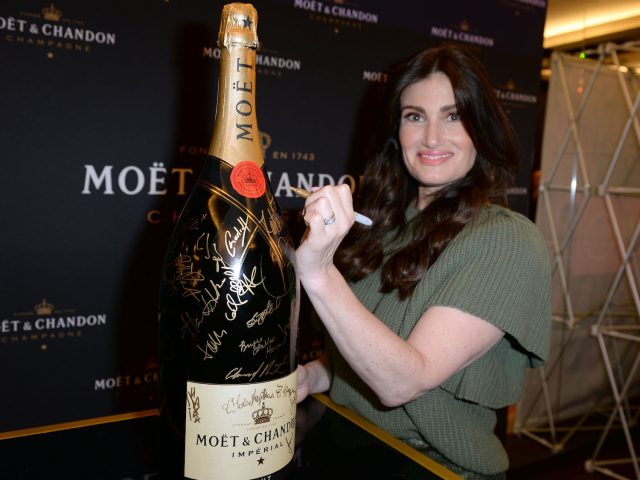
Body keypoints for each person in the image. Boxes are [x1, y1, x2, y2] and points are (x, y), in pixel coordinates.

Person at [294, 45, 551, 479]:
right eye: (415, 116)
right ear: (397, 130)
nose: (432, 137)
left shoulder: (507, 240)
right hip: (349, 450)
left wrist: (318, 272)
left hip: (433, 469)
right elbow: (363, 355)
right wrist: (313, 377)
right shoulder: (381, 223)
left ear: (481, 128)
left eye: (453, 116)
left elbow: (403, 383)